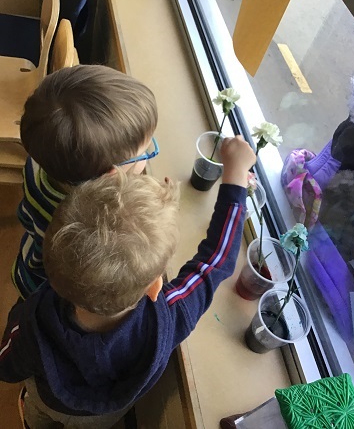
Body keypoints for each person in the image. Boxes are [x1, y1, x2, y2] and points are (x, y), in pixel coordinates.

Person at [0, 136, 256, 428]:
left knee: (38, 416)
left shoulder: (34, 320)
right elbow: (214, 263)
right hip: (102, 415)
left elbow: (8, 361)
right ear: (155, 286)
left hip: (50, 401)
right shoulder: (169, 318)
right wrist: (235, 181)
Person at [12, 64, 158, 299]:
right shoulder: (95, 221)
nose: (150, 151)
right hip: (47, 292)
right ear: (113, 176)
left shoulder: (39, 161)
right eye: (147, 151)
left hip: (29, 263)